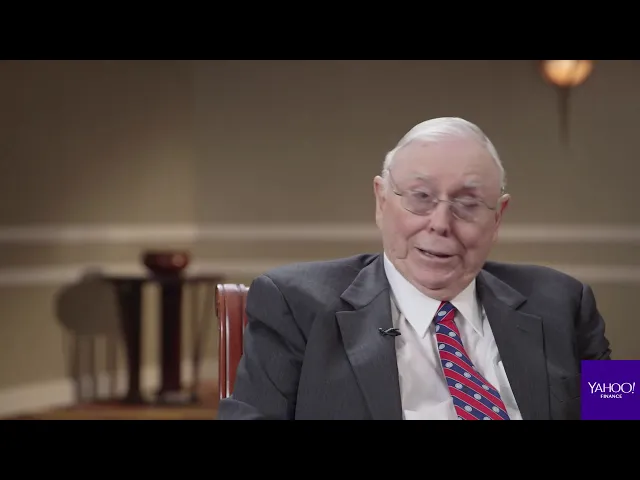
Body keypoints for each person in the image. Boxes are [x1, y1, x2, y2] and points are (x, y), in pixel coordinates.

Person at [216, 116, 611, 420]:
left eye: (468, 204)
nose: (440, 224)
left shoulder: (564, 300)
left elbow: (622, 407)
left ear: (498, 217)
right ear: (381, 201)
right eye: (421, 197)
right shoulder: (294, 303)